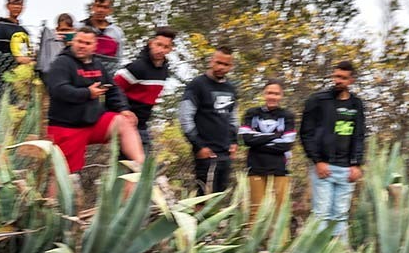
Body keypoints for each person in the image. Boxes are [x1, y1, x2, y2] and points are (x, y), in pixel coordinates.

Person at [43, 28, 144, 175]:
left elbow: (113, 89)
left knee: (124, 121)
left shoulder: (97, 65)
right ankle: (53, 199)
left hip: (93, 123)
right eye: (79, 41)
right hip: (67, 127)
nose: (82, 46)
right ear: (73, 41)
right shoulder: (62, 63)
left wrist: (123, 109)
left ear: (94, 46)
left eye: (87, 43)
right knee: (63, 177)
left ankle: (140, 167)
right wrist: (87, 93)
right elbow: (58, 90)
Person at [299, 61, 366, 239]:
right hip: (324, 169)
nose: (338, 80)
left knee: (340, 216)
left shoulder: (356, 105)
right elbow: (306, 133)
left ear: (350, 80)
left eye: (343, 78)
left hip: (346, 170)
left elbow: (359, 135)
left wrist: (356, 164)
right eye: (336, 76)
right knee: (321, 215)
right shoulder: (318, 100)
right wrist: (317, 161)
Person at [180, 47, 238, 195]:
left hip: (225, 153)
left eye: (226, 64)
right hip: (206, 153)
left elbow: (232, 117)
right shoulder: (197, 85)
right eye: (218, 62)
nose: (221, 67)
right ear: (211, 61)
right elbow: (185, 118)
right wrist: (199, 146)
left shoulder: (231, 88)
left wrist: (233, 142)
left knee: (219, 196)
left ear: (231, 66)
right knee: (202, 196)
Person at [239, 79, 297, 221]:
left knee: (280, 211)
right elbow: (246, 140)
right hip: (256, 166)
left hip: (279, 168)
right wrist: (275, 136)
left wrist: (258, 140)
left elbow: (286, 144)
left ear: (281, 96)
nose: (272, 97)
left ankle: (281, 243)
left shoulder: (287, 115)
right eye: (269, 93)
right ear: (264, 94)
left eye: (276, 94)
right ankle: (253, 242)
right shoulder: (252, 113)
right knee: (255, 210)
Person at [113, 26, 175, 157]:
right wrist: (123, 110)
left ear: (170, 49)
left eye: (165, 47)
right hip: (126, 123)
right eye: (158, 44)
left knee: (143, 161)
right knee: (135, 162)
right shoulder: (138, 67)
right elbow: (114, 87)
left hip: (142, 123)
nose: (161, 50)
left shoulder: (164, 71)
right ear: (151, 43)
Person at [0, 0, 33, 100]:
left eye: (20, 4)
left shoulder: (24, 31)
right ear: (8, 6)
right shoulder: (1, 27)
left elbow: (25, 54)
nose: (17, 7)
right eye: (14, 3)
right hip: (4, 78)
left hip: (22, 80)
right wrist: (15, 59)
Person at [78, 0, 125, 74]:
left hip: (108, 75)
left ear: (110, 10)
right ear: (93, 7)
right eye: (98, 6)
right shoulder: (79, 27)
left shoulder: (116, 32)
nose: (100, 10)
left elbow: (118, 59)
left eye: (105, 7)